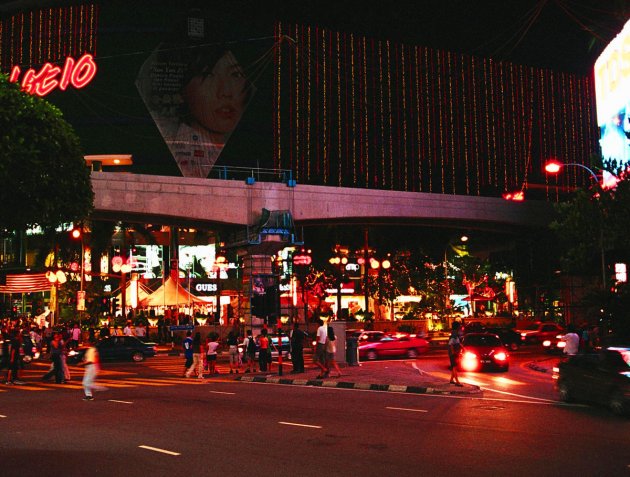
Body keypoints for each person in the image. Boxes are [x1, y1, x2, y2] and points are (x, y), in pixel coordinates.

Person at [448, 322, 463, 386]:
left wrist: (462, 347)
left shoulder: (455, 333)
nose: (460, 327)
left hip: (455, 352)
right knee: (454, 366)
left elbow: (457, 342)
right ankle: (457, 381)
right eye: (459, 326)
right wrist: (453, 351)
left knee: (454, 366)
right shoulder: (454, 333)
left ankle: (451, 379)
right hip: (453, 352)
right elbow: (451, 343)